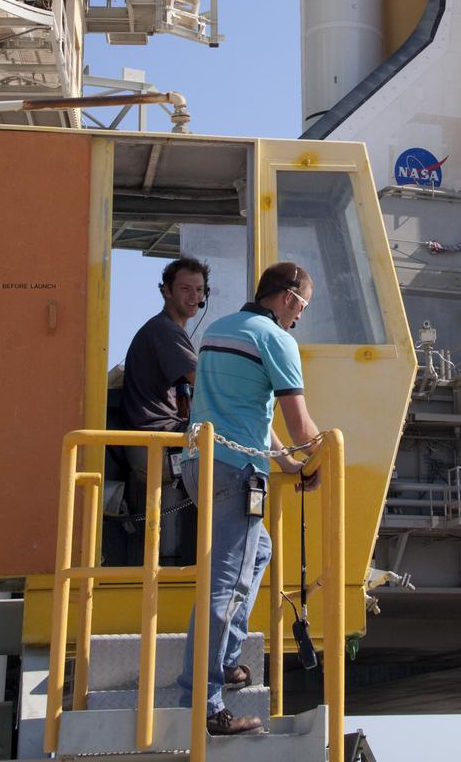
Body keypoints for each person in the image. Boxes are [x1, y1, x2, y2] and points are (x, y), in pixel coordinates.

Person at [177, 261, 321, 737]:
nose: (299, 317)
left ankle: (230, 657)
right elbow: (301, 427)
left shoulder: (220, 329)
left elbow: (245, 417)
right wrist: (322, 460)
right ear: (286, 298)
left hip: (200, 465)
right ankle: (204, 702)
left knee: (258, 552)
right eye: (301, 306)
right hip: (237, 474)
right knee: (224, 587)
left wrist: (287, 465)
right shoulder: (277, 339)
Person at [121, 256, 209, 563]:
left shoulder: (170, 330)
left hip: (157, 435)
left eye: (199, 289)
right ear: (166, 291)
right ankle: (177, 560)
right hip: (156, 438)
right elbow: (205, 383)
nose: (194, 296)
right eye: (185, 288)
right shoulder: (165, 331)